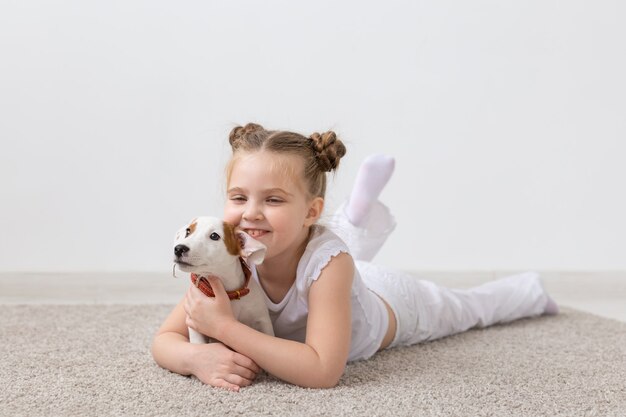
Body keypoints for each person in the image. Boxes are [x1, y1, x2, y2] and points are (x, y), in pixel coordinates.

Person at [151, 123, 558, 391]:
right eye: (238, 198)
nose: (251, 212)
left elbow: (322, 370)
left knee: (465, 307)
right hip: (328, 267)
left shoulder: (332, 265)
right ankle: (356, 213)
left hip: (394, 303)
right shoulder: (228, 252)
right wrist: (194, 357)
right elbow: (164, 340)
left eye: (272, 199)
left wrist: (226, 328)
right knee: (318, 250)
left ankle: (529, 291)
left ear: (311, 210)